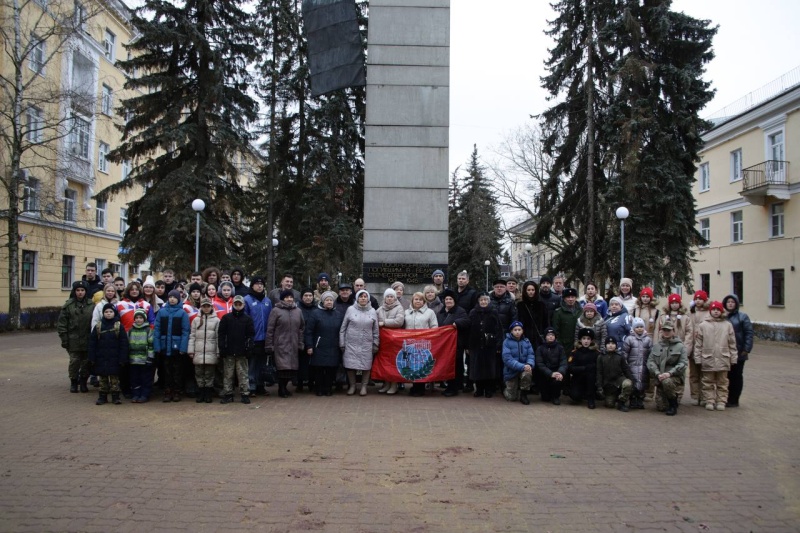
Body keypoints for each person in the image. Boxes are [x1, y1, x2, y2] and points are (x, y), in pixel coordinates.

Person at [694, 300, 738, 412]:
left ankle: (721, 401)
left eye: (718, 310)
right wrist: (697, 358)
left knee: (722, 383)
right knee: (707, 382)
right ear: (710, 311)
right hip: (708, 358)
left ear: (721, 311)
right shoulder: (703, 325)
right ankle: (709, 400)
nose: (716, 312)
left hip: (723, 358)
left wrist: (733, 357)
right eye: (713, 309)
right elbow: (698, 344)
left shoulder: (727, 325)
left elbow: (732, 343)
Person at [339, 290, 379, 396]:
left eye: (365, 296)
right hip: (351, 344)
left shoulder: (372, 311)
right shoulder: (350, 310)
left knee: (366, 366)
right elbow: (343, 328)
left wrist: (375, 344)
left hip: (366, 344)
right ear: (357, 298)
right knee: (350, 365)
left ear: (368, 299)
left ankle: (364, 386)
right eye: (361, 296)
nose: (363, 298)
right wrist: (342, 342)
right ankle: (352, 386)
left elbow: (375, 330)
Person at [266, 289, 305, 398]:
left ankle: (285, 387)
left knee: (291, 369)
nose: (289, 299)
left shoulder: (298, 311)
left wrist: (300, 342)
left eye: (291, 297)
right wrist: (269, 345)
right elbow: (270, 329)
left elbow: (302, 328)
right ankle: (281, 388)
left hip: (293, 343)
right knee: (282, 368)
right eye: (286, 297)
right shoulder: (276, 311)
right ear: (282, 298)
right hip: (280, 344)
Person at [88, 303, 129, 405]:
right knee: (103, 379)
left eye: (111, 311)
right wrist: (92, 357)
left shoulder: (119, 326)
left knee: (115, 380)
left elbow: (124, 343)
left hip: (115, 358)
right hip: (101, 358)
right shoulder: (98, 326)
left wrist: (123, 358)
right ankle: (102, 396)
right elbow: (92, 343)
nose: (108, 314)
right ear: (103, 313)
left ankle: (115, 397)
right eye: (106, 312)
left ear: (114, 313)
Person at [154, 290, 190, 402]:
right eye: (170, 297)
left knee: (177, 371)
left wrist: (183, 348)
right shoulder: (162, 312)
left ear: (178, 299)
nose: (172, 299)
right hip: (165, 347)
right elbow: (157, 330)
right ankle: (167, 391)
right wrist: (157, 346)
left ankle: (177, 391)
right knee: (166, 371)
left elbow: (185, 331)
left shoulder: (182, 313)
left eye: (175, 297)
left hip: (177, 348)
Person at [305, 291, 343, 396]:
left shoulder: (338, 314)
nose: (329, 302)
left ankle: (328, 388)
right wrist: (309, 346)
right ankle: (319, 389)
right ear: (323, 301)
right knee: (319, 369)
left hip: (333, 347)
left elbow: (342, 330)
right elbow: (309, 331)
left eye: (331, 300)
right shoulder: (315, 313)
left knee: (331, 369)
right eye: (327, 300)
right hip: (319, 347)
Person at [57, 280, 93, 393]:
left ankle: (83, 381)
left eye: (82, 290)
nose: (80, 292)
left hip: (87, 339)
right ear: (74, 291)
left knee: (86, 362)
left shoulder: (92, 305)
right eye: (78, 290)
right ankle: (73, 381)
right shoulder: (68, 305)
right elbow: (62, 324)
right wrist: (64, 339)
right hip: (73, 339)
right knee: (74, 362)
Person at [218, 295, 255, 404]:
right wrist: (222, 348)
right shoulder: (226, 318)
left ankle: (245, 393)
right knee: (228, 374)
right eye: (236, 304)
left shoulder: (247, 319)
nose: (238, 306)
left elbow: (250, 335)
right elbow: (221, 334)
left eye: (240, 304)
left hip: (242, 351)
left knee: (243, 373)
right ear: (233, 305)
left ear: (243, 305)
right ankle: (228, 394)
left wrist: (249, 348)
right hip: (229, 351)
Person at [647, 320, 688, 416]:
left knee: (667, 381)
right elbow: (650, 361)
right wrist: (657, 373)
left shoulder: (680, 346)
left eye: (669, 330)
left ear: (673, 331)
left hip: (674, 377)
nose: (666, 332)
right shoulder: (657, 346)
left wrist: (670, 373)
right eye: (664, 330)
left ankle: (673, 404)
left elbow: (683, 363)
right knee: (661, 407)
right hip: (660, 376)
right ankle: (670, 395)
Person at [466, 293, 502, 398]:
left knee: (489, 368)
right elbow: (468, 329)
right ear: (478, 301)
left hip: (490, 345)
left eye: (485, 300)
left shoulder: (494, 312)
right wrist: (467, 345)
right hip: (475, 345)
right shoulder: (473, 312)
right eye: (481, 300)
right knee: (477, 368)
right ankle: (479, 389)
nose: (483, 302)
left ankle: (489, 389)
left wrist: (498, 344)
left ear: (489, 301)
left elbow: (498, 329)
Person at [436, 289, 469, 397]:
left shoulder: (460, 311)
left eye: (450, 299)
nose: (448, 301)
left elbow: (466, 321)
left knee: (455, 366)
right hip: (444, 344)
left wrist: (457, 323)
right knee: (448, 365)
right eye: (446, 299)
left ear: (454, 300)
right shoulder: (441, 312)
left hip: (456, 343)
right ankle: (451, 385)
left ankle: (454, 387)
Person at [721, 294, 753, 408]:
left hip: (739, 351)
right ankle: (725, 398)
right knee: (726, 376)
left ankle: (734, 399)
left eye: (732, 302)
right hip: (725, 352)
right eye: (728, 302)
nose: (730, 304)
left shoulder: (742, 317)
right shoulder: (722, 317)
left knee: (737, 376)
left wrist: (746, 348)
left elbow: (749, 333)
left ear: (736, 304)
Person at [404, 292, 438, 397]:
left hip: (423, 344)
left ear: (424, 301)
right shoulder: (406, 312)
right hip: (409, 343)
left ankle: (420, 388)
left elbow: (434, 326)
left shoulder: (430, 312)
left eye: (420, 300)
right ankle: (414, 386)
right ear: (412, 301)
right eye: (416, 299)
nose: (418, 301)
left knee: (421, 364)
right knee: (411, 364)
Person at [188, 298, 220, 404]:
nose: (206, 308)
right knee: (199, 373)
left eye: (208, 306)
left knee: (209, 373)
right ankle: (201, 391)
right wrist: (191, 350)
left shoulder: (216, 320)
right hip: (198, 351)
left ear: (211, 307)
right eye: (204, 306)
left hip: (211, 351)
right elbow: (192, 336)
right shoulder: (196, 320)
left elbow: (218, 337)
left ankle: (208, 392)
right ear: (201, 307)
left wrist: (218, 351)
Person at [244, 276, 272, 396]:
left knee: (262, 363)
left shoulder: (267, 301)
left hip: (264, 338)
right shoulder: (247, 300)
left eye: (261, 284)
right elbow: (244, 319)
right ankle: (251, 386)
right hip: (253, 338)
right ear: (252, 286)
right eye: (257, 284)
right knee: (252, 364)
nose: (259, 286)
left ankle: (261, 385)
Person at [377, 288, 405, 395]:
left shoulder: (399, 308)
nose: (389, 298)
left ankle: (394, 385)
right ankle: (386, 384)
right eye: (388, 296)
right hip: (384, 341)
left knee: (394, 363)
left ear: (395, 298)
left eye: (391, 296)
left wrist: (384, 323)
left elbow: (399, 322)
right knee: (385, 363)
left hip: (395, 341)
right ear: (384, 298)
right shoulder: (380, 309)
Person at [621, 318, 652, 409]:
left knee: (643, 382)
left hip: (644, 365)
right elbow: (625, 353)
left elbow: (651, 352)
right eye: (637, 327)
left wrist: (649, 363)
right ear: (633, 328)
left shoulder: (648, 340)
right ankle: (633, 399)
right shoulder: (629, 339)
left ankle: (640, 399)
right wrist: (625, 363)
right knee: (634, 382)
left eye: (641, 327)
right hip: (632, 365)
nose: (639, 329)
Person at [501, 321, 535, 405]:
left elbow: (531, 355)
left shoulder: (526, 341)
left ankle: (524, 395)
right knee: (511, 397)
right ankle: (505, 388)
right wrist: (522, 366)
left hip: (524, 368)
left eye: (519, 329)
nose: (517, 331)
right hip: (511, 370)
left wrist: (529, 364)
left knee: (527, 373)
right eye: (515, 330)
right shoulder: (506, 342)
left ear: (522, 331)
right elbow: (507, 359)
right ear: (511, 331)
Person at [596, 337, 634, 412]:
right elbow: (599, 373)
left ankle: (621, 401)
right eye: (608, 343)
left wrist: (632, 381)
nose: (611, 345)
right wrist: (599, 386)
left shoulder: (620, 356)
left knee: (628, 384)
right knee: (609, 404)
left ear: (616, 345)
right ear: (605, 345)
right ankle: (614, 397)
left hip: (619, 379)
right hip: (608, 383)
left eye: (613, 344)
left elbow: (626, 369)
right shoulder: (601, 357)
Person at [128, 308, 155, 403]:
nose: (139, 319)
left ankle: (144, 394)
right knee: (134, 378)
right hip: (133, 360)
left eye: (141, 318)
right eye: (137, 318)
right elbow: (127, 345)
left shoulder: (148, 330)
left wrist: (150, 358)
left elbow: (151, 345)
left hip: (144, 360)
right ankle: (135, 394)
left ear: (144, 319)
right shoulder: (131, 330)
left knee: (145, 378)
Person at [567, 328, 599, 409]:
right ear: (580, 340)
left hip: (591, 381)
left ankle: (591, 399)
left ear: (591, 341)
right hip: (578, 379)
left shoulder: (596, 353)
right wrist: (584, 368)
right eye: (584, 338)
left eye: (588, 339)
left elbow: (599, 368)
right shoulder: (574, 352)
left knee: (591, 374)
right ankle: (581, 394)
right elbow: (570, 368)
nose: (586, 341)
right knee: (575, 396)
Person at [689, 290, 710, 404]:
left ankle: (704, 396)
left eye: (700, 299)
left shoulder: (709, 313)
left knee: (704, 373)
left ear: (704, 300)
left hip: (704, 346)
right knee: (693, 373)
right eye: (696, 299)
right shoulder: (691, 312)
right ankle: (695, 395)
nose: (698, 301)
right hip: (692, 346)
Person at [535, 327, 566, 405]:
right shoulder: (540, 348)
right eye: (548, 335)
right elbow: (540, 364)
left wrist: (560, 372)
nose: (550, 336)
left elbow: (563, 362)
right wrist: (550, 373)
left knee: (558, 380)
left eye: (552, 335)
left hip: (556, 373)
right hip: (545, 375)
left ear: (555, 336)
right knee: (545, 398)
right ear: (545, 337)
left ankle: (556, 397)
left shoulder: (560, 348)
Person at [517, 281, 547, 350]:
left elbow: (545, 322)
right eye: (528, 290)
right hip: (524, 338)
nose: (531, 292)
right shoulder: (520, 305)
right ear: (525, 291)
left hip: (538, 338)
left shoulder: (541, 305)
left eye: (533, 290)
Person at [297, 288, 317, 392]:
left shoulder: (316, 309)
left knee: (311, 363)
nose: (308, 298)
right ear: (302, 297)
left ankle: (311, 382)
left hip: (313, 339)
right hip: (300, 339)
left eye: (310, 296)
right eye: (306, 296)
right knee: (300, 362)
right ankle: (299, 383)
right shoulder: (298, 308)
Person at [552, 287, 581, 353]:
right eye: (568, 297)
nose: (570, 299)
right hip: (564, 345)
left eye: (572, 297)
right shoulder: (558, 312)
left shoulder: (581, 311)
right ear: (564, 299)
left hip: (579, 344)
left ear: (575, 298)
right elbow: (556, 330)